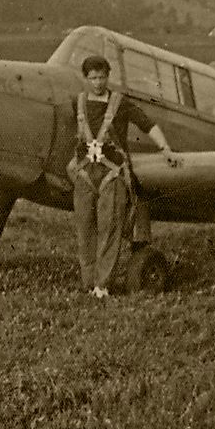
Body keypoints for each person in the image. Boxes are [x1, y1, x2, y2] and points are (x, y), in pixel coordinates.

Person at [68, 55, 175, 297]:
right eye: (93, 78)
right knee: (84, 228)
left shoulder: (121, 103)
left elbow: (147, 124)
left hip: (112, 174)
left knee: (110, 227)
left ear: (108, 77)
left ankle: (102, 285)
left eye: (102, 77)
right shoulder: (79, 103)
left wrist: (165, 149)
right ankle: (89, 283)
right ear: (86, 78)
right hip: (85, 173)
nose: (97, 82)